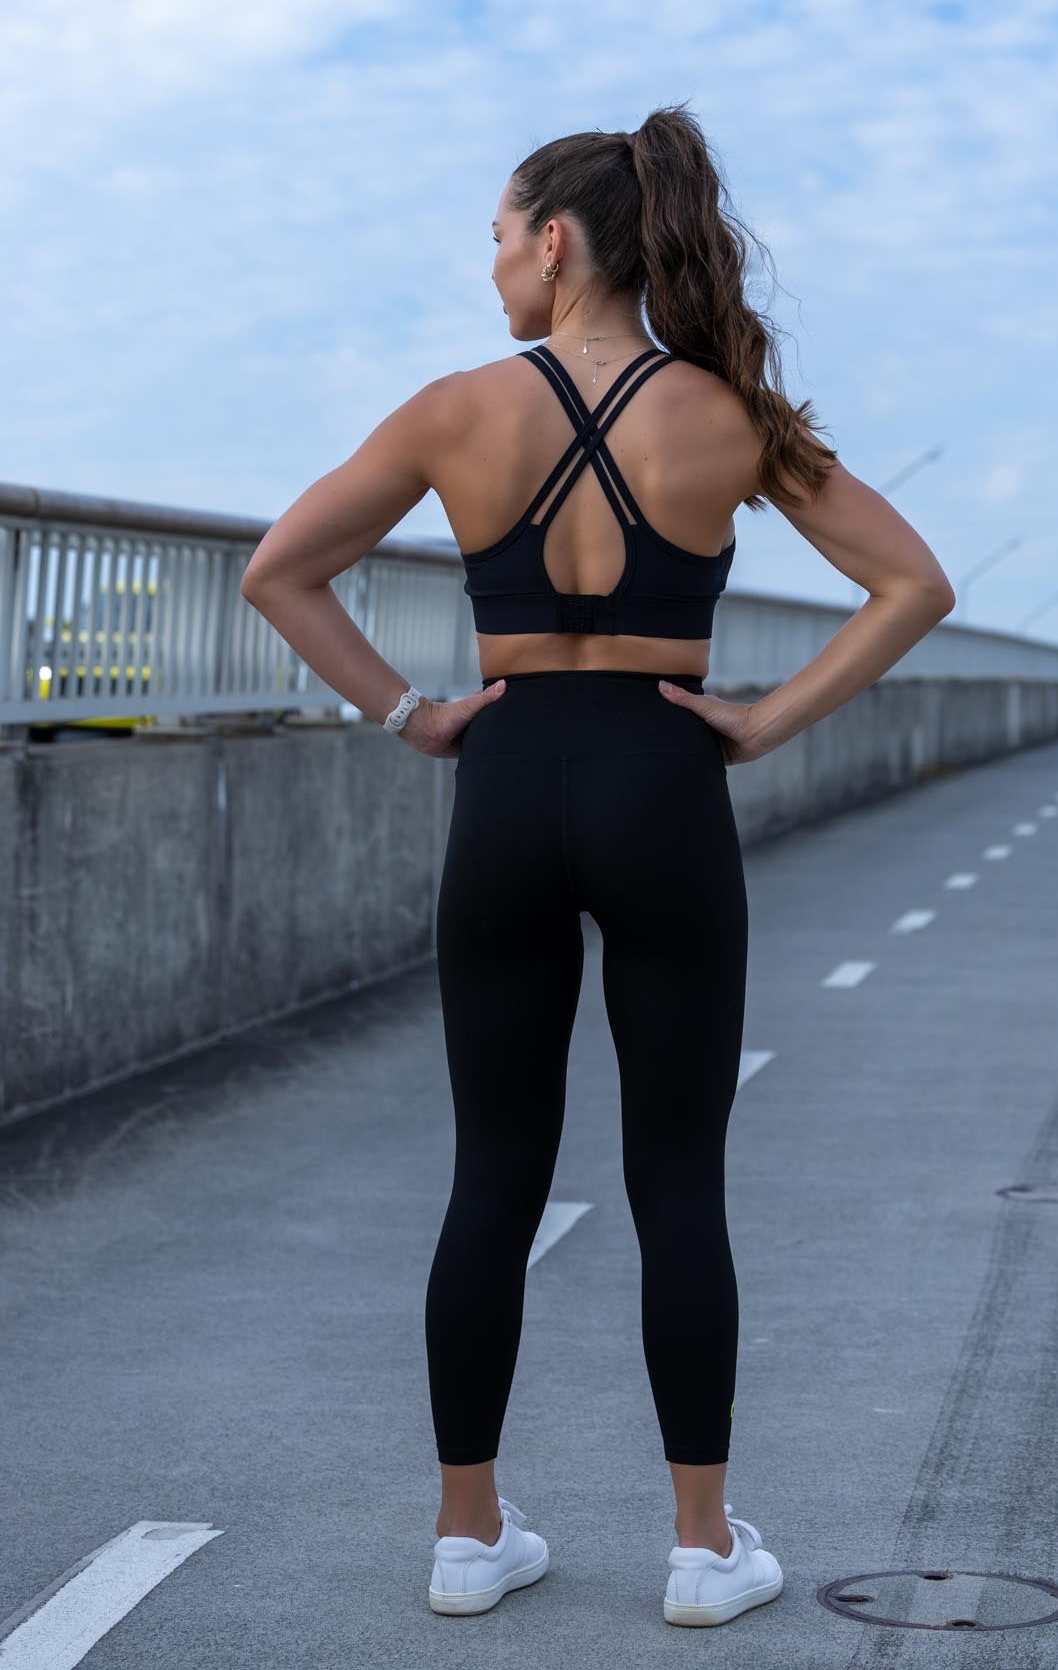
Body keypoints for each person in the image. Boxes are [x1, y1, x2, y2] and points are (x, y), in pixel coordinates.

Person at [238, 102, 955, 1628]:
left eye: (498, 236)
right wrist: (761, 723)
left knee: (490, 1173)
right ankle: (702, 1552)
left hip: (502, 778)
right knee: (676, 1179)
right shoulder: (727, 413)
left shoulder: (451, 410)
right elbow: (912, 585)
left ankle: (467, 1535)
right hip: (660, 781)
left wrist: (408, 714)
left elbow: (276, 570)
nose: (491, 264)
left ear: (554, 241)